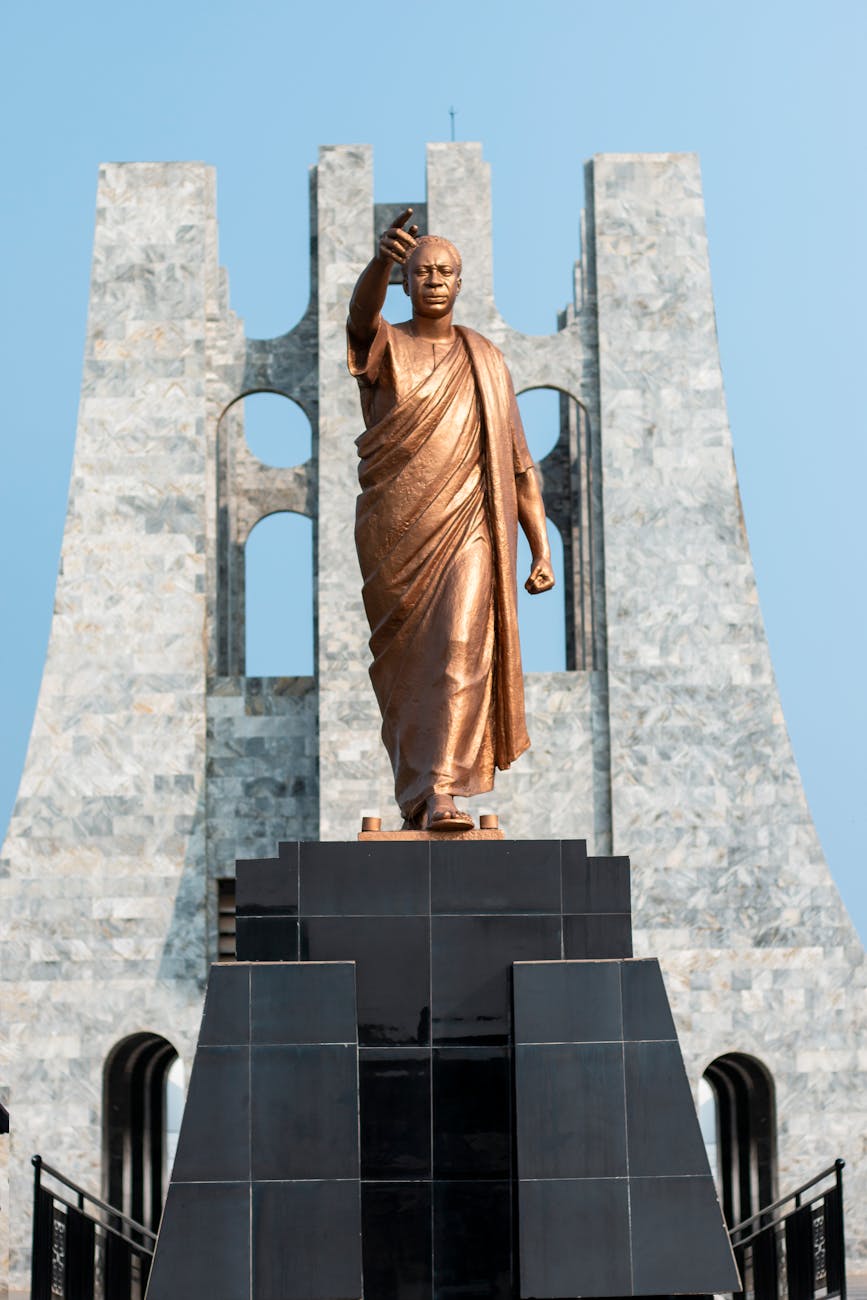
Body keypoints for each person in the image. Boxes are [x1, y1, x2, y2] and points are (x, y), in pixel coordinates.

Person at [348, 209, 554, 832]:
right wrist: (379, 262)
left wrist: (541, 547)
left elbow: (519, 468)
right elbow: (358, 322)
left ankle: (444, 790)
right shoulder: (387, 344)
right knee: (408, 663)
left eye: (445, 271)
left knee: (463, 645)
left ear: (460, 284)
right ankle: (415, 789)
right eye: (420, 271)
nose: (434, 279)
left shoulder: (485, 359)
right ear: (404, 284)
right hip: (397, 531)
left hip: (470, 529)